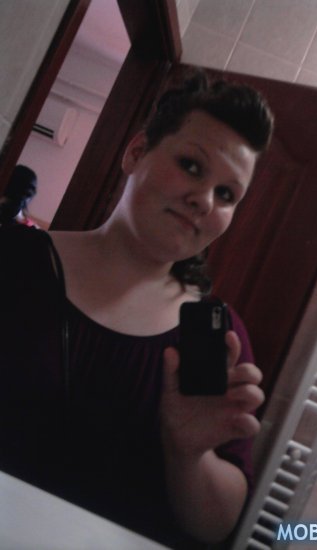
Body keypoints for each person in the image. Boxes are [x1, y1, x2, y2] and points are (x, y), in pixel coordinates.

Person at [0, 70, 274, 548]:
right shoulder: (12, 258)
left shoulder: (219, 339)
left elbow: (216, 526)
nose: (204, 200)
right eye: (192, 165)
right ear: (136, 152)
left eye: (227, 194)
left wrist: (189, 453)